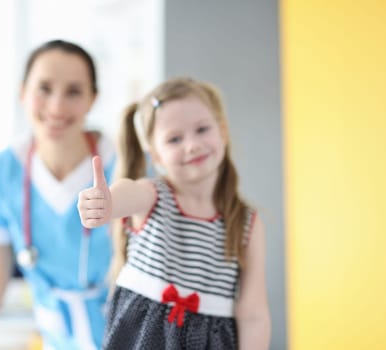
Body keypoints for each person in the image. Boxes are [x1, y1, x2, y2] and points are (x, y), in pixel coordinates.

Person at [78, 77, 271, 349]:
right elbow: (129, 192)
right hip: (144, 336)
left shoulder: (247, 221)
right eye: (174, 139)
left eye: (202, 129)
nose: (191, 145)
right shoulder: (154, 196)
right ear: (155, 155)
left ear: (223, 131)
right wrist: (108, 203)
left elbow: (254, 315)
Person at [0, 40, 116, 350]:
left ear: (93, 99)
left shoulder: (123, 164)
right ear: (23, 92)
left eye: (73, 92)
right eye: (44, 88)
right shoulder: (5, 169)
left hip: (131, 337)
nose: (56, 107)